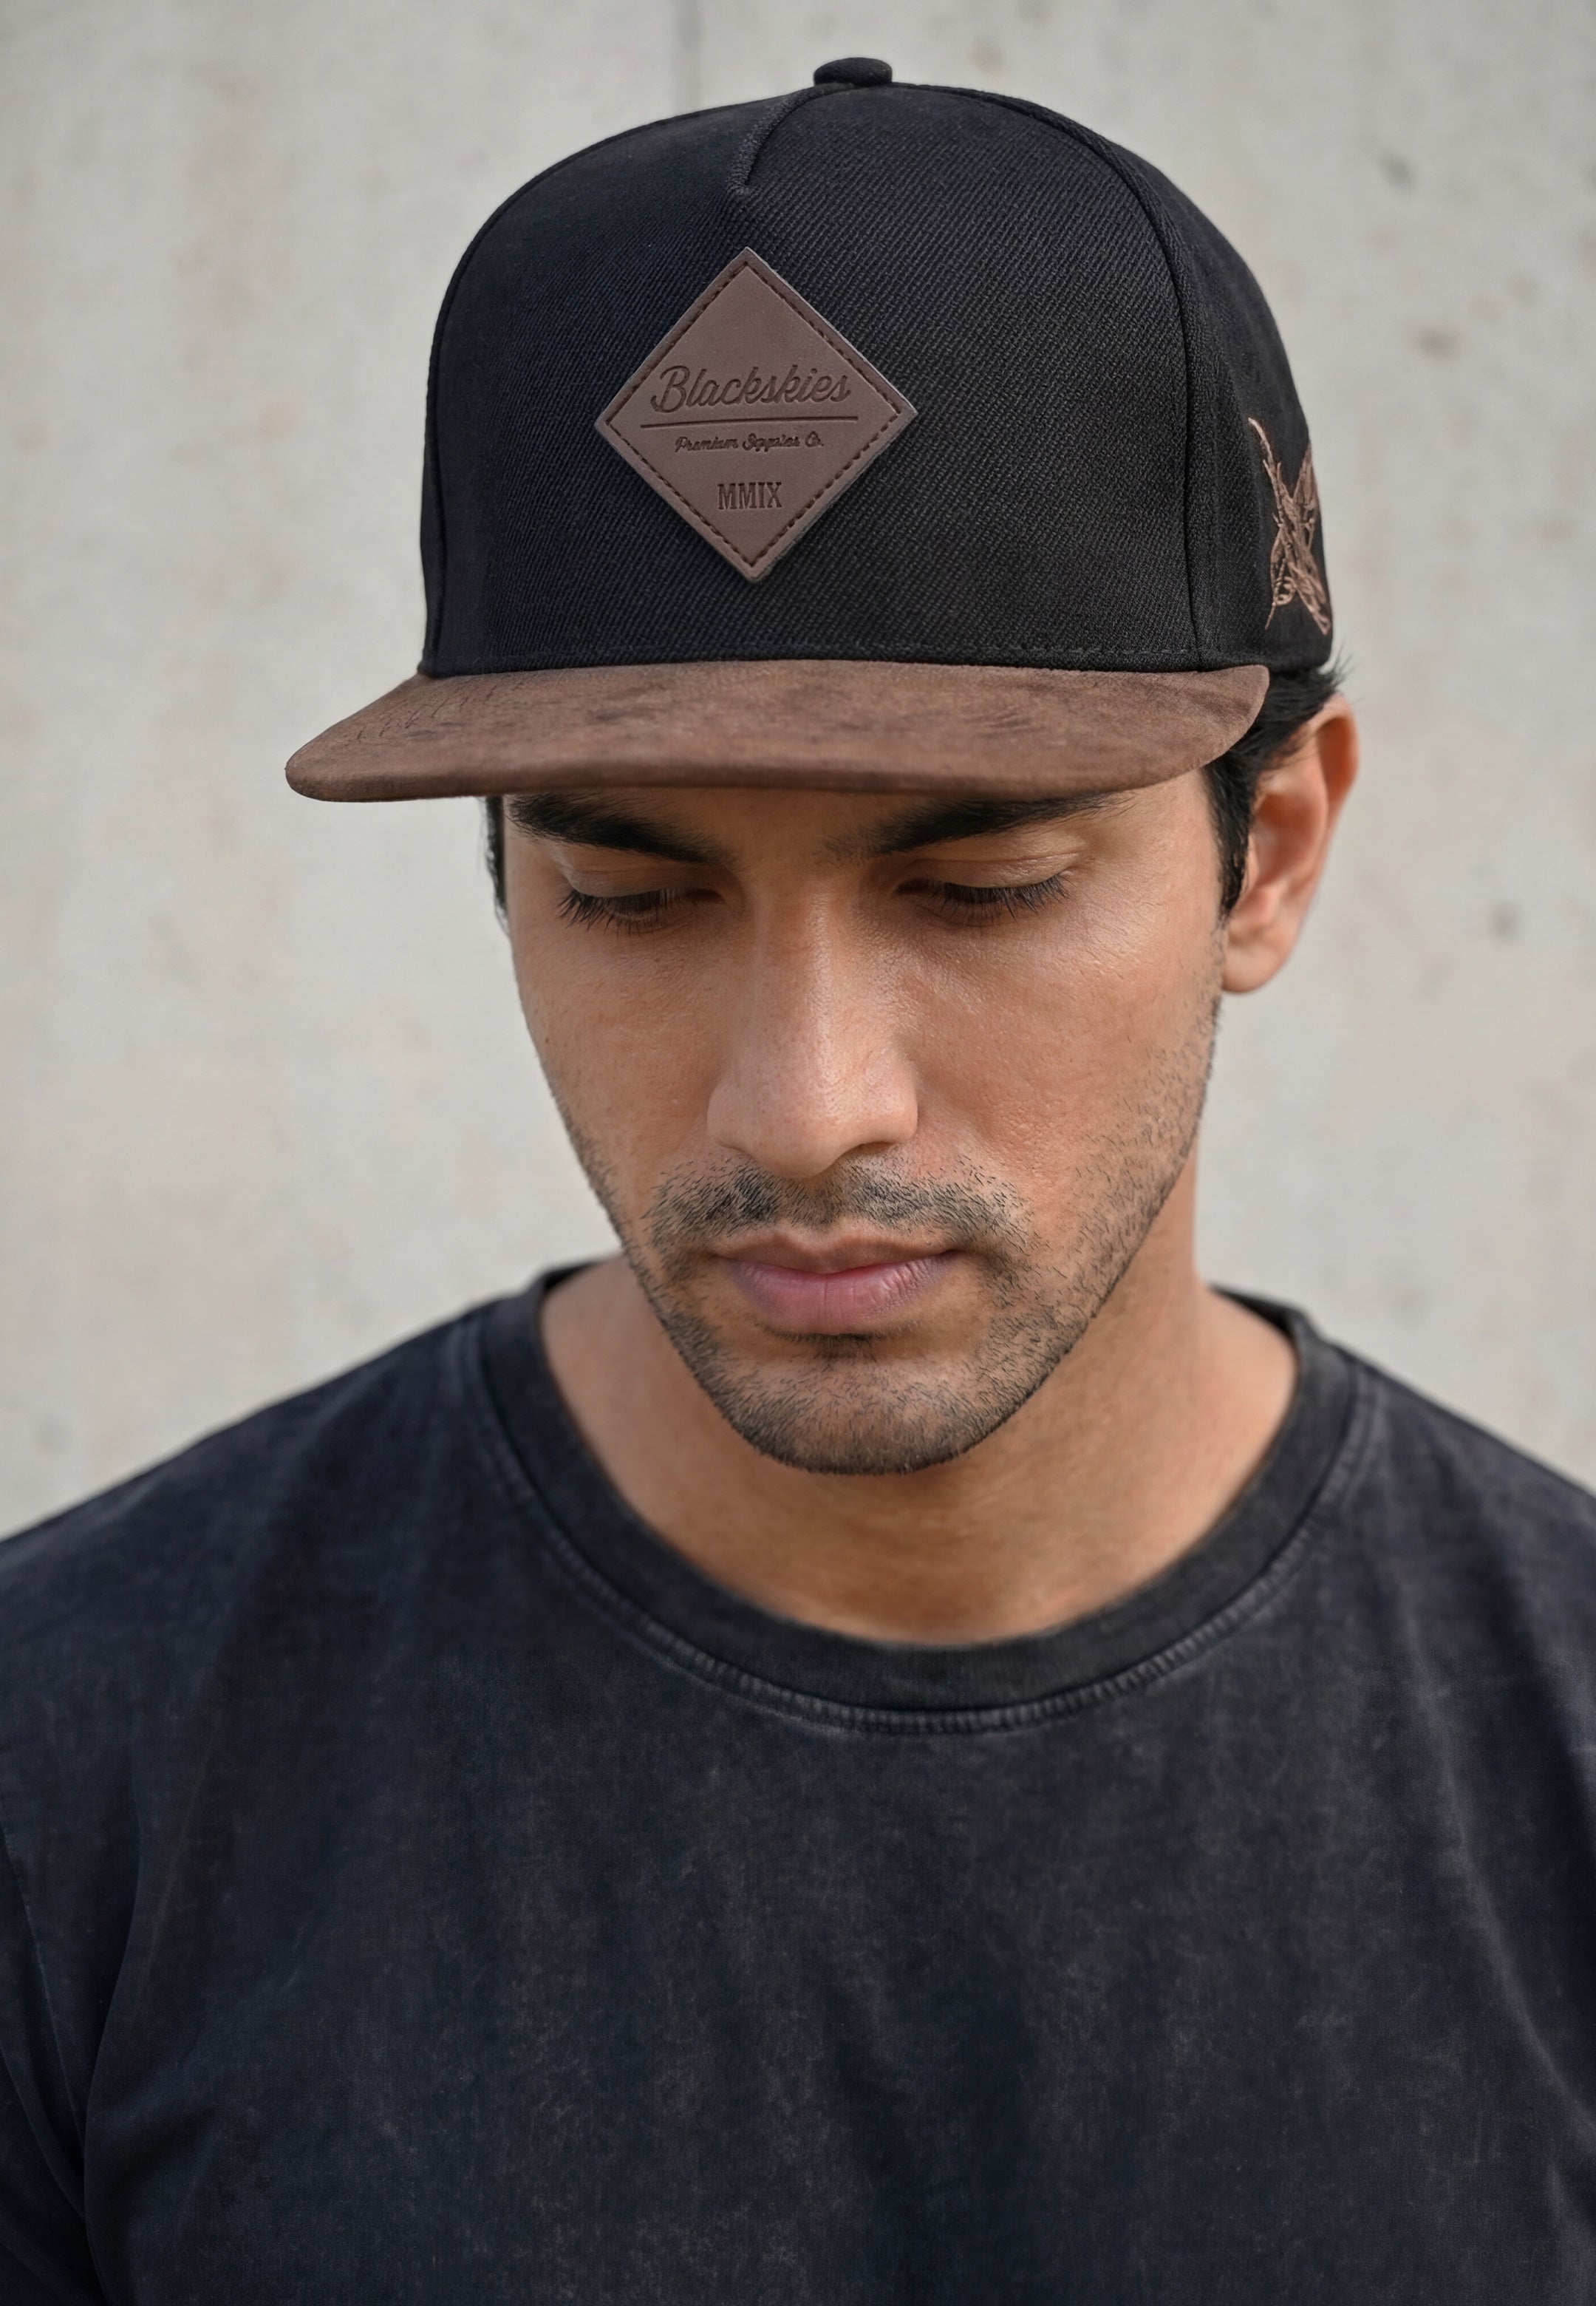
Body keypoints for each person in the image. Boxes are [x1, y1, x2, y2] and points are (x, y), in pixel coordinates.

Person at [1, 58, 1592, 2305]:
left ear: (1280, 853)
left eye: (980, 887)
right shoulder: (75, 1773)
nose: (802, 1107)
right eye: (635, 900)